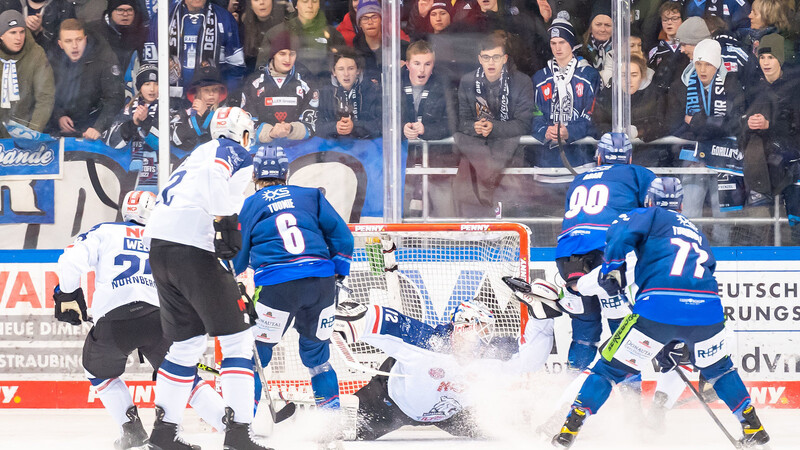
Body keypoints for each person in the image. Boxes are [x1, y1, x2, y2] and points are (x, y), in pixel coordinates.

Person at [552, 177, 770, 449]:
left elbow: (619, 233)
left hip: (658, 309)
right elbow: (709, 269)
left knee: (608, 369)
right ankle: (753, 426)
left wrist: (613, 267)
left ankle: (570, 428)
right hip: (709, 312)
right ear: (680, 204)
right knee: (721, 371)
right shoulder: (695, 231)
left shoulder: (648, 214)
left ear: (650, 200)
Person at [53, 190, 227, 450]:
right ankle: (234, 429)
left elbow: (69, 262)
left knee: (99, 374)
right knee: (184, 378)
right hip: (161, 320)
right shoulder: (165, 238)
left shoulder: (105, 231)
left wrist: (68, 294)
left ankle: (133, 431)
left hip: (114, 322)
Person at [143, 106, 271, 450]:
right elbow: (218, 178)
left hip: (160, 248)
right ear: (242, 132)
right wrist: (224, 222)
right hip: (192, 247)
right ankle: (239, 435)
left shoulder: (197, 153)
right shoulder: (232, 150)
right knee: (237, 341)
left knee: (185, 346)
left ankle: (163, 434)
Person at [231, 145, 354, 422]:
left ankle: (244, 425)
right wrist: (338, 274)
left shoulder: (249, 204)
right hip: (320, 283)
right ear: (286, 173)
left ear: (254, 175)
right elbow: (343, 237)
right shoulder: (311, 196)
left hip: (278, 288)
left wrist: (233, 278)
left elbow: (238, 255)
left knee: (256, 357)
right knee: (318, 360)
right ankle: (330, 425)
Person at [342, 298, 554, 440]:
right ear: (461, 326)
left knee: (508, 430)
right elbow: (384, 321)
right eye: (479, 328)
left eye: (486, 330)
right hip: (390, 405)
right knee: (341, 430)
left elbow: (530, 359)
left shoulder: (492, 353)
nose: (484, 336)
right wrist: (347, 316)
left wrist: (542, 317)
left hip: (451, 415)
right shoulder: (427, 342)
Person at [554, 132, 656, 373]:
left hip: (568, 254)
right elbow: (656, 211)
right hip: (608, 253)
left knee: (584, 325)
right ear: (629, 158)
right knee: (621, 326)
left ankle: (572, 390)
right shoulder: (638, 173)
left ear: (599, 157)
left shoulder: (580, 179)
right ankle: (631, 399)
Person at [453, 32, 534, 216]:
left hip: (510, 158)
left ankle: (489, 177)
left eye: (496, 57)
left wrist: (494, 127)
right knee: (461, 136)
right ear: (479, 59)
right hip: (478, 158)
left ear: (505, 58)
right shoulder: (467, 81)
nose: (491, 62)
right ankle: (486, 176)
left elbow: (524, 124)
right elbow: (461, 121)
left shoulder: (521, 81)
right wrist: (474, 127)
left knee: (506, 218)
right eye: (486, 57)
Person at [742, 34, 800, 244]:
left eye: (771, 57)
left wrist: (770, 126)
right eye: (762, 57)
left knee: (796, 226)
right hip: (760, 164)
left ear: (780, 59)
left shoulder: (794, 87)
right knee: (759, 228)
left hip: (792, 163)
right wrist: (747, 124)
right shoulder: (754, 87)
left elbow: (795, 126)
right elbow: (736, 119)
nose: (766, 62)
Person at [531, 16, 599, 179]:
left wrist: (569, 131)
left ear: (571, 43)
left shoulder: (589, 75)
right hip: (547, 166)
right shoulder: (540, 77)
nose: (557, 48)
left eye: (562, 42)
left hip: (581, 163)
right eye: (553, 43)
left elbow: (594, 116)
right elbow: (534, 114)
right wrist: (545, 131)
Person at [143, 0, 245, 97]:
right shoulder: (162, 17)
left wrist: (226, 97)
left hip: (212, 100)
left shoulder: (224, 18)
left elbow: (235, 67)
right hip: (170, 102)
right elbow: (150, 65)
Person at [46, 18, 123, 139]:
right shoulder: (52, 60)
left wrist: (98, 127)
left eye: (79, 39)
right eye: (68, 41)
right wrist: (58, 116)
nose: (75, 46)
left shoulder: (104, 57)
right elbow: (46, 95)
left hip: (95, 125)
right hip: (62, 129)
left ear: (85, 39)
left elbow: (115, 97)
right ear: (60, 44)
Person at [241, 30, 317, 144]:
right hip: (262, 147)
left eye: (292, 54)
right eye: (282, 54)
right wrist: (271, 132)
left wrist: (291, 129)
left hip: (298, 148)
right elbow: (245, 126)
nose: (288, 59)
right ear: (273, 55)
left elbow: (313, 123)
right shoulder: (254, 82)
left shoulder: (306, 79)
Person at [0, 9, 54, 138]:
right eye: (13, 33)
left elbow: (45, 97)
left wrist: (31, 134)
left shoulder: (36, 54)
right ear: (1, 35)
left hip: (26, 128)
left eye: (22, 32)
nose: (18, 38)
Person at [316, 46, 381, 139]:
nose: (346, 74)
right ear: (333, 72)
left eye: (351, 68)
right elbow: (317, 126)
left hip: (365, 144)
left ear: (358, 70)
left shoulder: (371, 90)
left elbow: (380, 125)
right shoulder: (325, 93)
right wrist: (335, 127)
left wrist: (355, 126)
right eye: (341, 69)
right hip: (334, 147)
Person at [86, 0, 147, 70]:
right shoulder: (92, 32)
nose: (125, 14)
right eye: (120, 10)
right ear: (110, 12)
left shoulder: (140, 31)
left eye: (130, 10)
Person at [239, 0, 294, 72]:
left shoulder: (287, 28)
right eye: (256, 0)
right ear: (250, 5)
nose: (261, 2)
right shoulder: (242, 28)